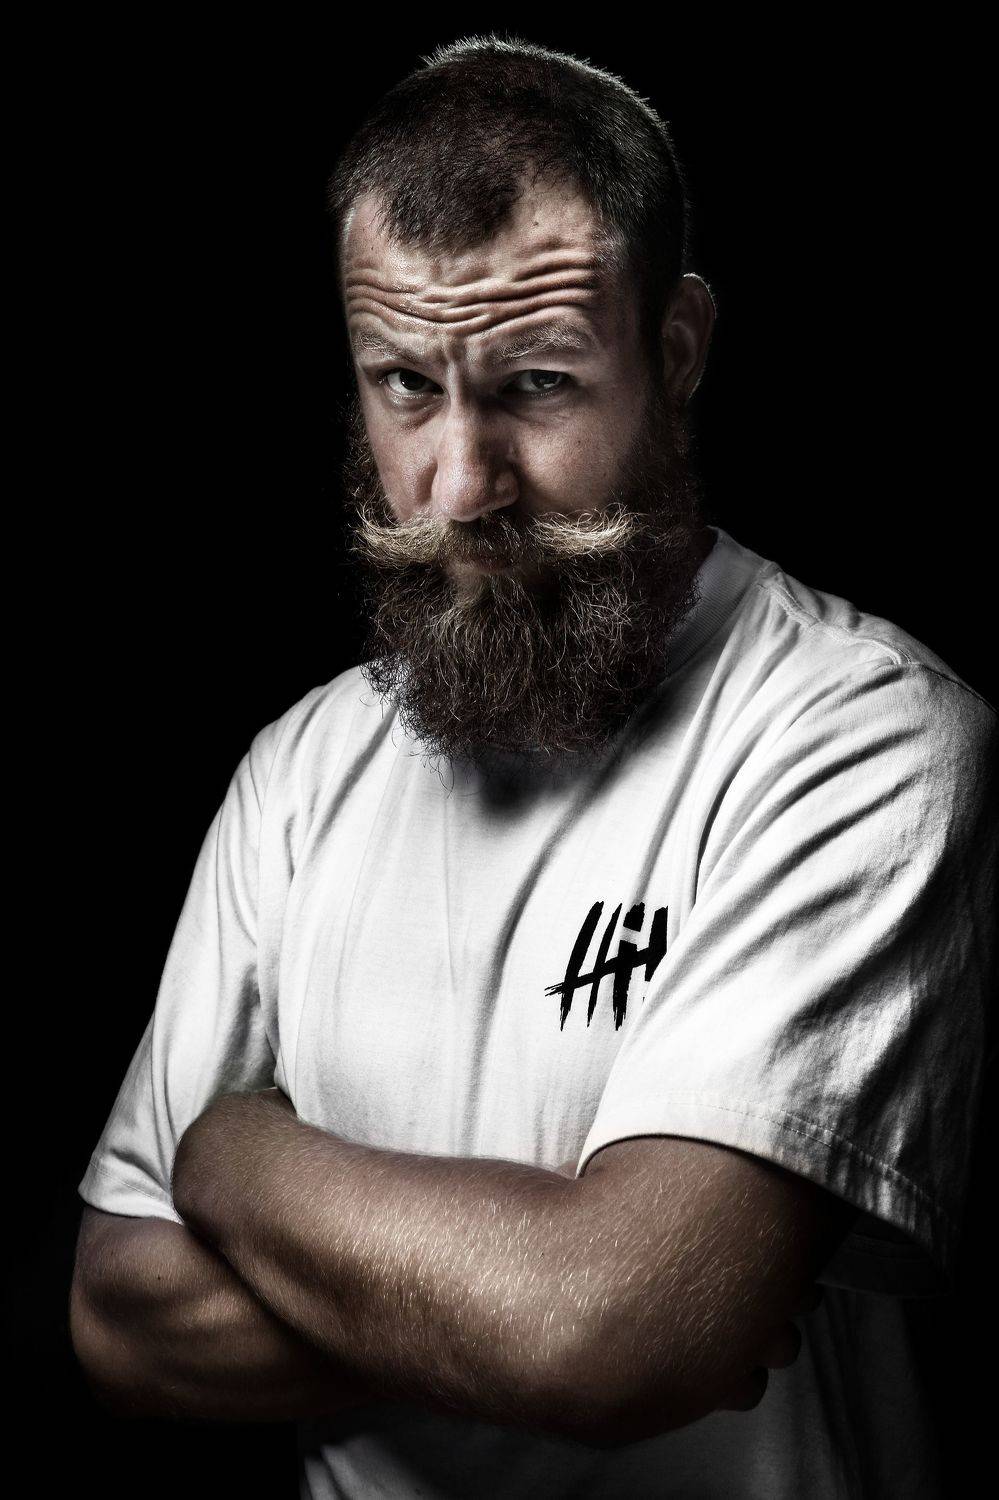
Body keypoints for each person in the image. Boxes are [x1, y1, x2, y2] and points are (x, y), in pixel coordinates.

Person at [70, 36, 996, 1499]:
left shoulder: (857, 732)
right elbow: (120, 1319)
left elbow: (613, 1334)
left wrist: (233, 1161)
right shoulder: (299, 772)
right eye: (403, 383)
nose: (459, 485)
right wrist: (534, 1299)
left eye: (539, 383)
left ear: (676, 349)